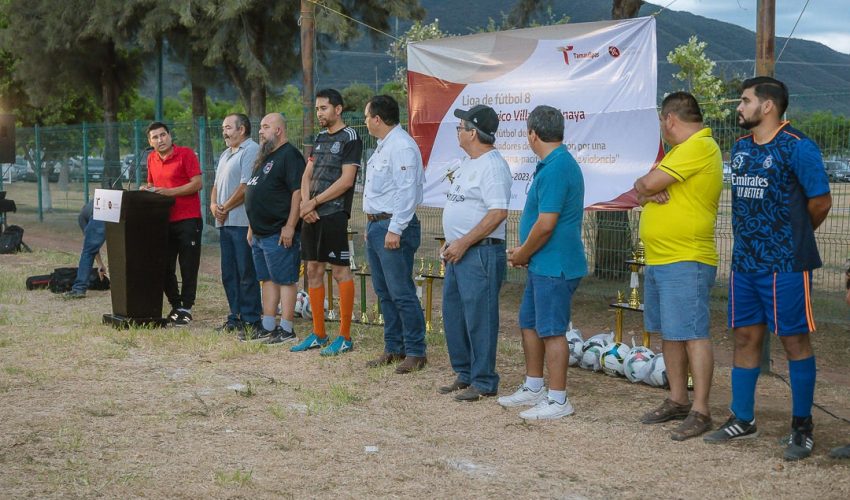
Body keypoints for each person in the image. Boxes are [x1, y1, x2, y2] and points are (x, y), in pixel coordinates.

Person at [703, 77, 832, 461]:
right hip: (745, 263)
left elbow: (821, 202)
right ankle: (743, 419)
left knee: (793, 342)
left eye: (745, 101)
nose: (739, 108)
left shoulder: (797, 148)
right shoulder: (740, 148)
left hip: (786, 264)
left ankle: (802, 426)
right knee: (745, 339)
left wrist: (789, 237)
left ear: (768, 106)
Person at [632, 92, 722, 439]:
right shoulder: (678, 153)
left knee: (692, 333)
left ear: (670, 119)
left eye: (661, 122)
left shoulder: (699, 146)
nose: (661, 128)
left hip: (686, 258)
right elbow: (639, 192)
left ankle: (701, 409)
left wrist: (647, 186)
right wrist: (645, 188)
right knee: (671, 333)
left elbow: (645, 185)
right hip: (662, 257)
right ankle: (677, 398)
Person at [499, 105, 587, 419]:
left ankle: (558, 399)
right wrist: (527, 253)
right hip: (542, 263)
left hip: (555, 265)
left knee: (552, 331)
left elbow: (547, 223)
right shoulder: (551, 164)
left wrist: (523, 252)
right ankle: (534, 385)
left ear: (533, 134)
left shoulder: (557, 167)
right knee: (530, 324)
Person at [437, 104, 511, 401]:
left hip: (479, 252)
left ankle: (484, 379)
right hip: (458, 252)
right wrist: (451, 241)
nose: (458, 131)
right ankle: (465, 372)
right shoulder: (469, 162)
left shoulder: (492, 165)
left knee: (480, 317)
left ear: (473, 133)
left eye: (461, 126)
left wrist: (464, 241)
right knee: (454, 314)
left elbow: (498, 213)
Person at [291, 88, 363, 356]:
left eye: (323, 108)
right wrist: (305, 204)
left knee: (341, 270)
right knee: (312, 271)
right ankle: (318, 334)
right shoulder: (319, 138)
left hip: (333, 213)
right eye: (317, 109)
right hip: (312, 213)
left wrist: (315, 203)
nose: (319, 113)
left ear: (338, 109)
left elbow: (346, 181)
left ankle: (344, 336)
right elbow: (307, 174)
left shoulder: (350, 138)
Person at [362, 95, 428, 374]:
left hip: (393, 226)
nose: (365, 122)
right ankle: (394, 347)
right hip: (378, 226)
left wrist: (395, 228)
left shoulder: (401, 146)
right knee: (384, 291)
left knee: (401, 291)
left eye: (366, 117)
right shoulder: (383, 147)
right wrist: (372, 226)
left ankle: (415, 351)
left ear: (377, 119)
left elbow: (406, 191)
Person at [242, 113, 306, 345]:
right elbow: (256, 192)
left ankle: (286, 329)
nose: (261, 131)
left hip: (279, 232)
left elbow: (297, 193)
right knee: (267, 279)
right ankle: (268, 325)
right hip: (260, 233)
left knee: (285, 279)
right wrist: (252, 225)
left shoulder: (290, 156)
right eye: (260, 127)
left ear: (279, 130)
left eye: (265, 127)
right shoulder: (265, 156)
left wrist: (290, 226)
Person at [145, 122, 203, 326]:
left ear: (170, 136)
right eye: (155, 137)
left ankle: (186, 307)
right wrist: (147, 190)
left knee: (188, 266)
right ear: (150, 142)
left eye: (163, 135)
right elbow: (153, 184)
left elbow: (197, 183)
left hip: (188, 219)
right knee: (164, 265)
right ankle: (176, 304)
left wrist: (169, 192)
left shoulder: (186, 154)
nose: (160, 140)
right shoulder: (151, 159)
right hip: (163, 221)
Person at [211, 113, 262, 333]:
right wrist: (214, 206)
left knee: (245, 271)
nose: (224, 132)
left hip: (241, 222)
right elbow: (215, 185)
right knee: (229, 272)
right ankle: (235, 316)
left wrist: (225, 208)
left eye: (228, 128)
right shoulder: (225, 154)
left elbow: (246, 186)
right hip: (224, 222)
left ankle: (251, 317)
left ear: (242, 129)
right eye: (223, 127)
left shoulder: (251, 150)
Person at [63, 200, 107, 299]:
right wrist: (100, 264)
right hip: (117, 205)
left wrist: (100, 263)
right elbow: (94, 247)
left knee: (87, 252)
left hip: (102, 212)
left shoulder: (82, 219)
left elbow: (90, 248)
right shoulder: (91, 205)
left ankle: (79, 289)